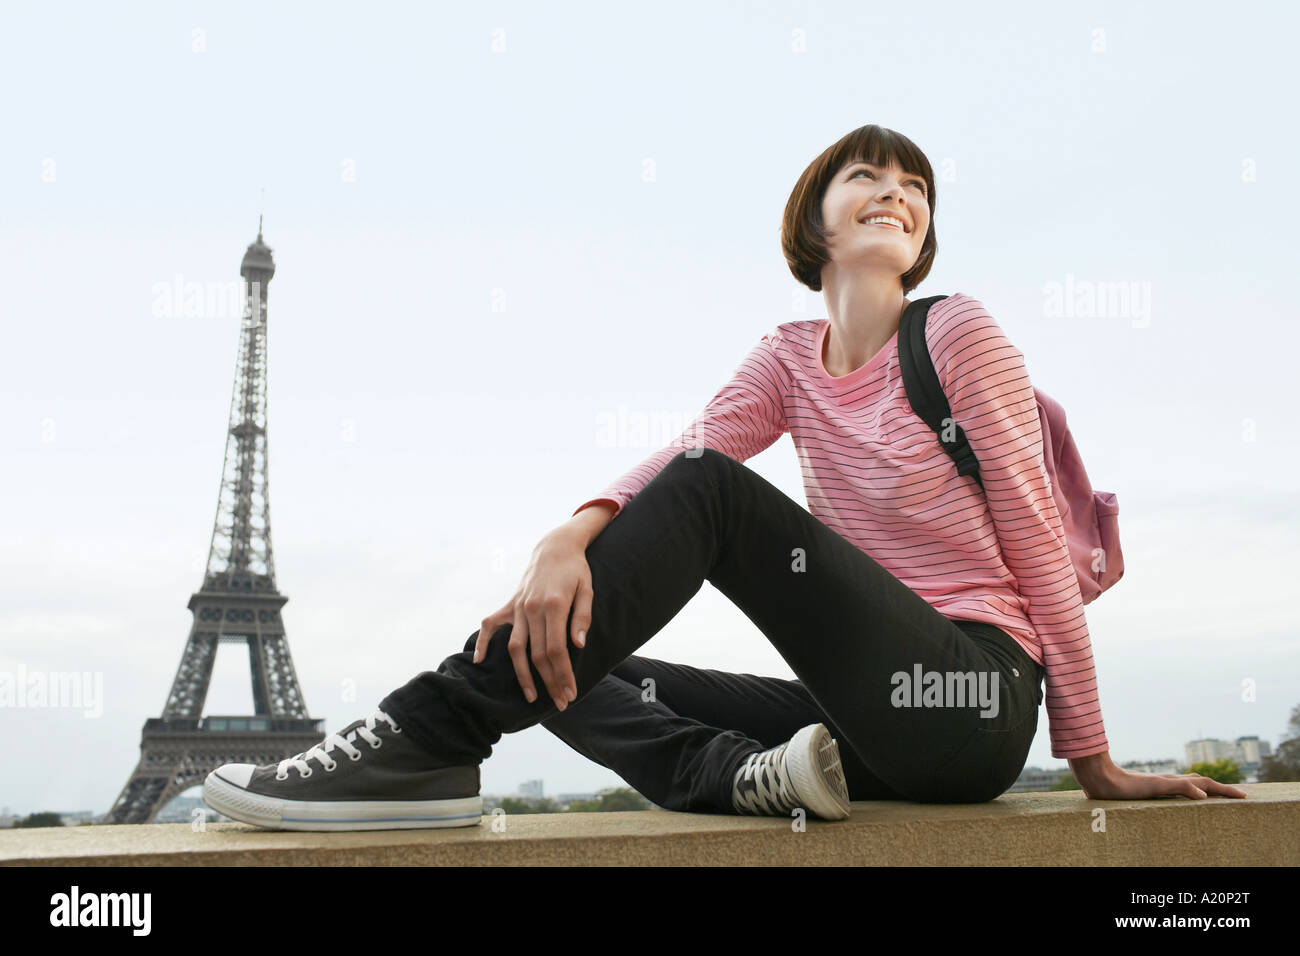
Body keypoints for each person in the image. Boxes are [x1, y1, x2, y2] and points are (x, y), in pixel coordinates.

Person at [203, 124, 1247, 832]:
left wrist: (1092, 756)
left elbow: (1029, 536)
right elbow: (686, 446)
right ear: (817, 222)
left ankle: (430, 727)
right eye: (868, 177)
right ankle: (739, 777)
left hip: (969, 697)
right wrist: (566, 534)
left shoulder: (960, 333)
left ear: (922, 235)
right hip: (858, 718)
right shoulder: (788, 356)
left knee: (702, 496)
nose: (896, 192)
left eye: (915, 187)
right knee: (554, 650)